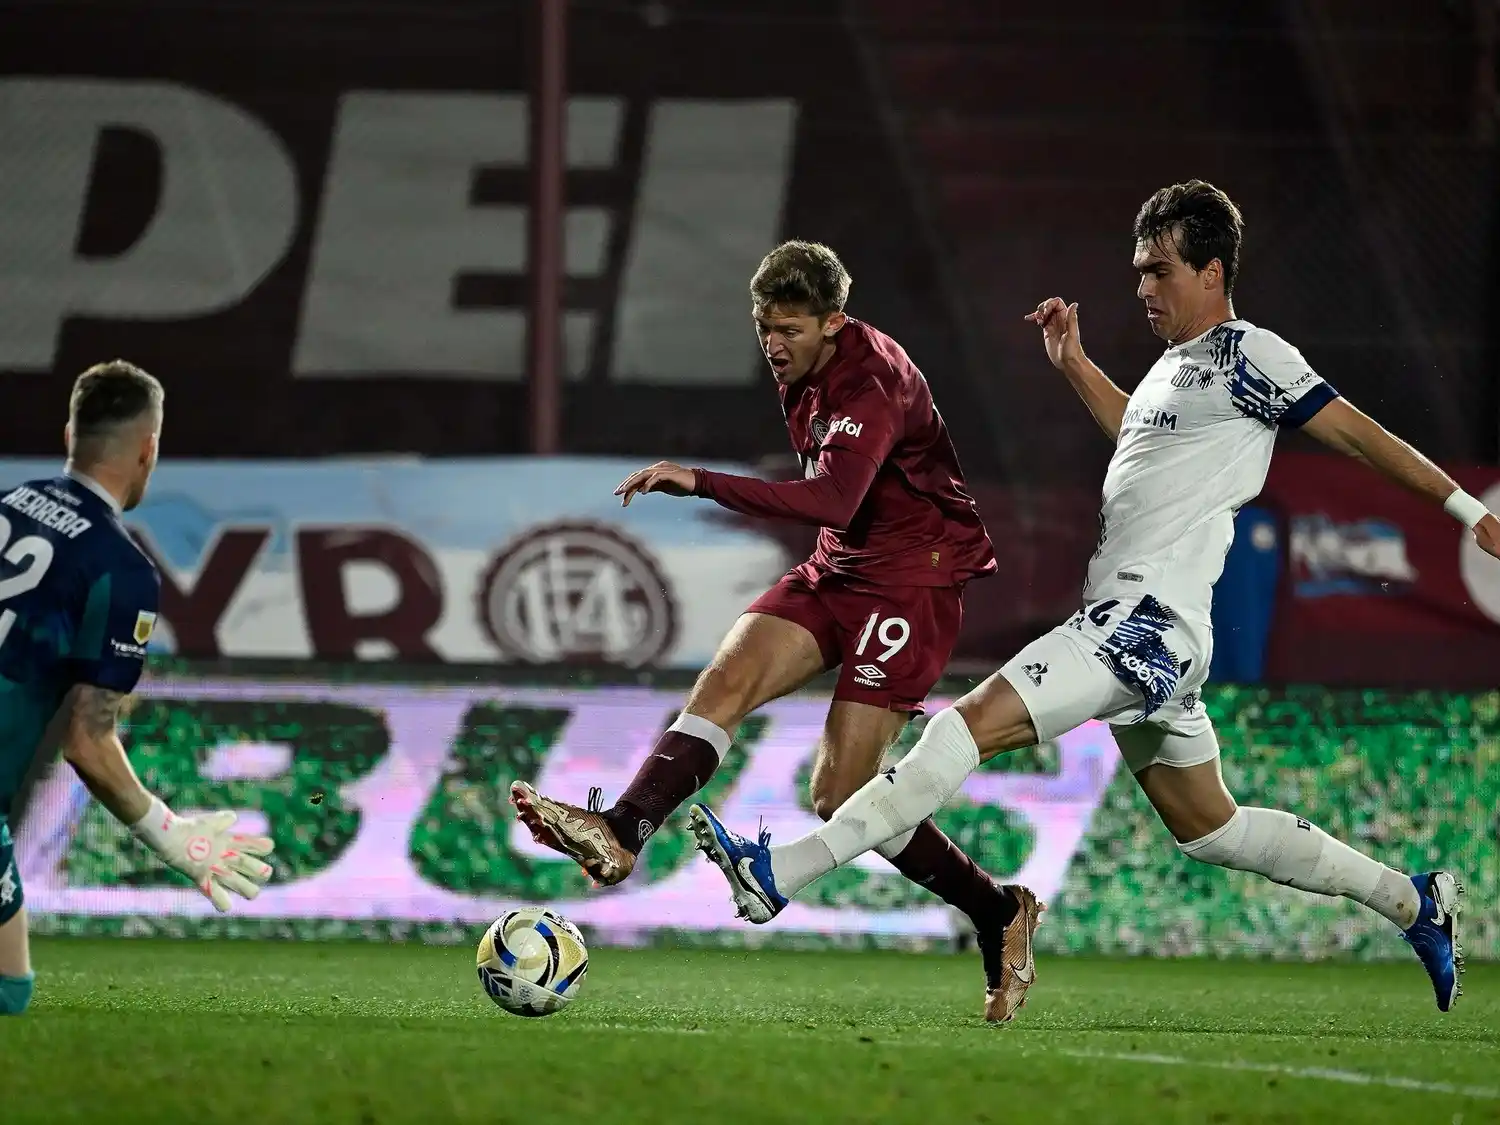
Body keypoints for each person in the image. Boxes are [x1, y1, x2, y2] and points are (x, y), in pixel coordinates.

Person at [689, 181, 1499, 1021]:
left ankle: (782, 871)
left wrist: (1466, 511)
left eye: (1159, 270)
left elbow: (1358, 431)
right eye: (1138, 269)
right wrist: (1075, 366)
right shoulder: (1178, 368)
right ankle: (1414, 899)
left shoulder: (1250, 354)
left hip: (1139, 624)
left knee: (960, 729)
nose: (1143, 287)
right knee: (1211, 828)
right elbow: (1141, 439)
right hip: (1157, 633)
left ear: (1212, 272)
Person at [512, 241, 1036, 1020]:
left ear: (834, 322)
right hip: (840, 566)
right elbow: (841, 513)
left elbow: (832, 498)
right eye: (765, 328)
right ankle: (623, 828)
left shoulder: (873, 381)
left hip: (912, 579)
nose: (774, 344)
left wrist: (701, 480)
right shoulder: (803, 369)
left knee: (841, 794)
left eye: (790, 329)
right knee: (725, 681)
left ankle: (997, 909)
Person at [0, 361, 276, 1015]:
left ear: (70, 433)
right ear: (148, 450)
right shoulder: (119, 570)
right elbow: (87, 739)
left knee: (10, 987)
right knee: (7, 994)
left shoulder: (7, 502)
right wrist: (169, 833)